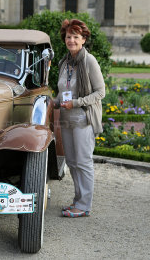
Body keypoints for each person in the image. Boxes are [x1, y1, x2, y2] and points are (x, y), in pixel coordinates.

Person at [53, 19, 105, 217]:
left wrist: (75, 103)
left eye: (76, 37)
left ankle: (83, 206)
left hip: (83, 118)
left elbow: (100, 92)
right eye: (68, 36)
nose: (71, 40)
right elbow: (62, 92)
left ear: (83, 39)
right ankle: (78, 201)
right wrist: (53, 102)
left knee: (83, 162)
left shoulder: (89, 61)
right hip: (66, 119)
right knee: (72, 162)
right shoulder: (64, 62)